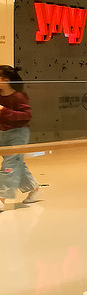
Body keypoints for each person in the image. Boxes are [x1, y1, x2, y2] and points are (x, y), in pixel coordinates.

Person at [0, 65, 40, 210]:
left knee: (9, 165)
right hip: (3, 133)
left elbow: (26, 116)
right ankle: (34, 188)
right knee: (16, 162)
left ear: (5, 80)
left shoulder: (18, 96)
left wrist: (4, 111)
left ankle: (1, 198)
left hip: (18, 134)